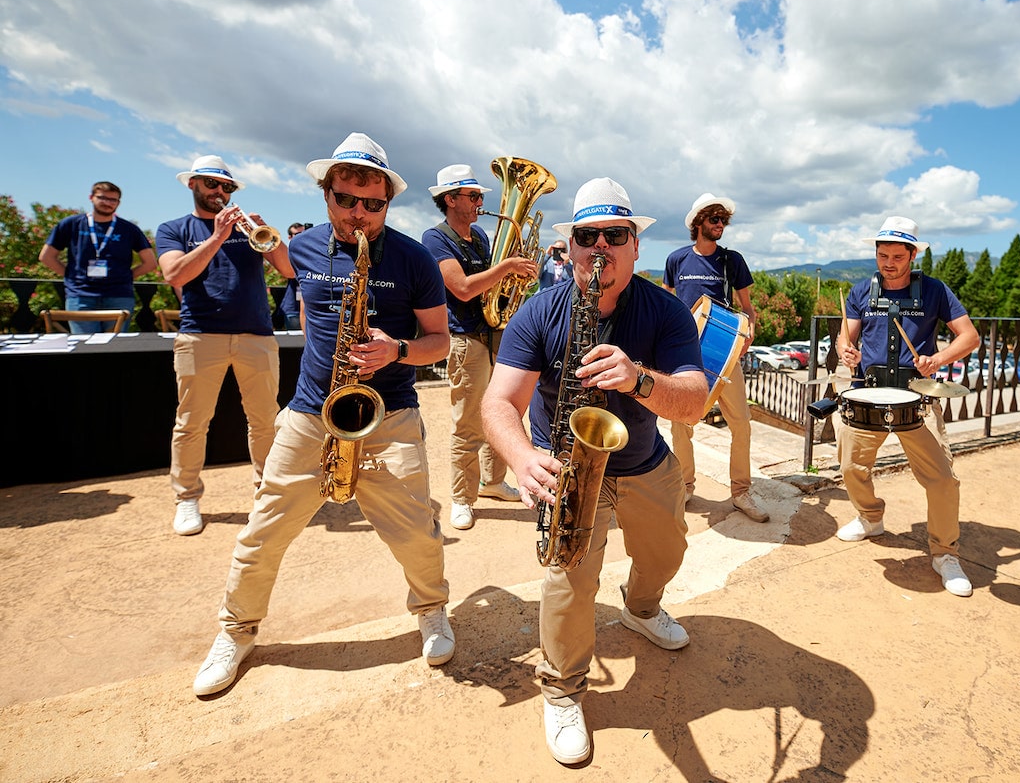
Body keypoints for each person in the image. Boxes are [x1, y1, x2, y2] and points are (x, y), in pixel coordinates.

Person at [192, 132, 456, 697]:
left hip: (389, 414)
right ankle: (237, 630)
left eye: (374, 204)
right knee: (263, 531)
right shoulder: (305, 248)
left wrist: (397, 350)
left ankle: (431, 609)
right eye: (347, 199)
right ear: (326, 194)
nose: (360, 213)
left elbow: (441, 340)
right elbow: (309, 311)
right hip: (312, 411)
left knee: (415, 533)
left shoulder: (414, 257)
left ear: (388, 202)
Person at [482, 177, 708, 765]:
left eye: (615, 235)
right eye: (588, 236)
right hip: (568, 469)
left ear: (635, 246)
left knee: (667, 554)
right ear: (571, 247)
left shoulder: (666, 311)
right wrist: (521, 457)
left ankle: (640, 608)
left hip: (645, 462)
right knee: (568, 583)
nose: (600, 246)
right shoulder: (539, 311)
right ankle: (562, 690)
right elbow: (498, 403)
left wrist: (639, 379)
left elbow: (694, 401)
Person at [835, 216, 980, 597]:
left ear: (913, 255)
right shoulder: (861, 291)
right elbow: (845, 337)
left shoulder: (935, 290)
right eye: (882, 256)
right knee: (850, 467)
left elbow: (969, 337)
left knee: (943, 480)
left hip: (918, 399)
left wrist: (939, 358)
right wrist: (846, 351)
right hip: (868, 394)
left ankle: (945, 553)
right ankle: (870, 517)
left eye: (897, 257)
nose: (889, 263)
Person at [156, 156, 293, 537]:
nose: (220, 191)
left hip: (256, 335)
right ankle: (187, 497)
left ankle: (267, 494)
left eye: (227, 186)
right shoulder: (174, 229)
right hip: (200, 335)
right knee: (191, 423)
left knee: (265, 421)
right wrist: (217, 236)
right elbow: (174, 274)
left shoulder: (248, 228)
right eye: (212, 184)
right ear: (193, 184)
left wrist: (267, 235)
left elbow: (288, 269)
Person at [421, 164, 532, 530]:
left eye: (480, 196)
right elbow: (464, 288)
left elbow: (491, 286)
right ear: (450, 199)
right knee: (468, 422)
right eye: (473, 196)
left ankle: (493, 482)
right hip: (465, 338)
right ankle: (461, 497)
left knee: (503, 412)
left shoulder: (481, 236)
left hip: (494, 333)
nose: (480, 202)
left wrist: (514, 277)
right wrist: (507, 267)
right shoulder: (435, 238)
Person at [662, 193, 769, 523]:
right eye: (714, 219)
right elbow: (665, 304)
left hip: (725, 354)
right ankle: (685, 486)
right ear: (699, 223)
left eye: (724, 219)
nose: (720, 224)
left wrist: (749, 329)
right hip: (683, 354)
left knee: (741, 424)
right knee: (681, 426)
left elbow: (747, 308)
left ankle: (741, 492)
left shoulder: (731, 260)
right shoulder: (677, 259)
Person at [38, 181, 156, 333]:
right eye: (102, 198)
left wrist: (125, 277)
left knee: (114, 345)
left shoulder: (129, 229)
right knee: (84, 344)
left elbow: (150, 263)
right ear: (91, 197)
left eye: (113, 200)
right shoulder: (71, 224)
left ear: (118, 203)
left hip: (119, 296)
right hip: (80, 295)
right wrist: (72, 277)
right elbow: (46, 257)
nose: (107, 203)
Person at [280, 223, 306, 331]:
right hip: (293, 309)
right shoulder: (287, 253)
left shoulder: (311, 252)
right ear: (290, 237)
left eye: (304, 233)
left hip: (309, 308)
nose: (302, 236)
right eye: (297, 234)